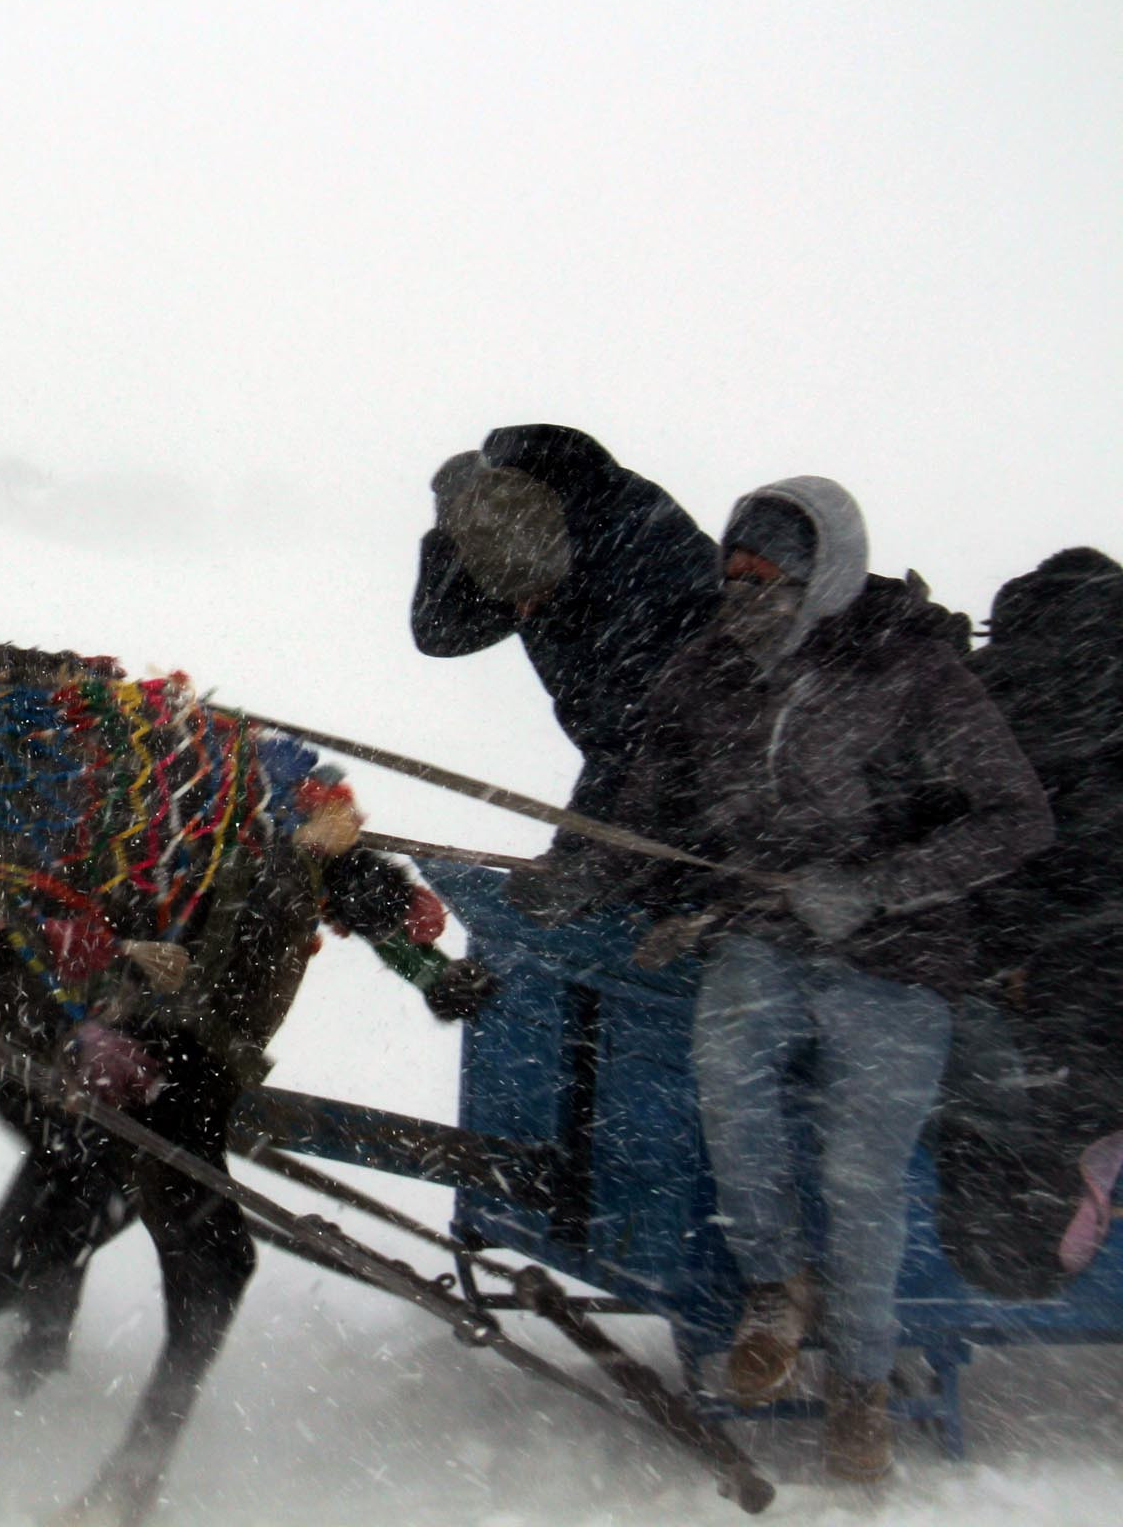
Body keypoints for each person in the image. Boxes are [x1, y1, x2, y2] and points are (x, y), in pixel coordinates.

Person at [524, 476, 1052, 1483]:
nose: (744, 592)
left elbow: (1016, 817)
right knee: (729, 1077)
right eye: (733, 573)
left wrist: (874, 888)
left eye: (768, 575)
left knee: (862, 1176)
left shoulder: (915, 673)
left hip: (899, 957)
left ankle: (860, 1386)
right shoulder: (707, 672)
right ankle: (775, 1287)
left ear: (828, 576)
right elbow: (649, 808)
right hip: (762, 933)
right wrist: (590, 869)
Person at [937, 547, 1123, 1292]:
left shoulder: (980, 688)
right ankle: (1044, 1205)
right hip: (1076, 970)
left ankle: (1040, 1204)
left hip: (1024, 961)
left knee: (984, 1087)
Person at [413, 424, 718, 828]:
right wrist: (447, 532)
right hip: (666, 793)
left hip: (728, 806)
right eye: (513, 604)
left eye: (532, 598)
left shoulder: (638, 571)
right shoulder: (528, 533)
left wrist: (578, 857)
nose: (523, 613)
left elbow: (631, 741)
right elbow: (440, 632)